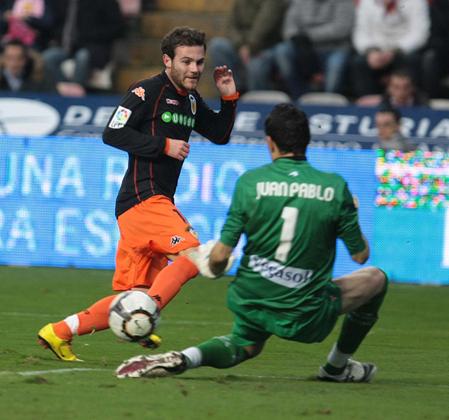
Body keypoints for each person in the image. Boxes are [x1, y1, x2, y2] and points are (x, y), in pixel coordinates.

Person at [115, 103, 389, 383]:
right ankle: (336, 368)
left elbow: (220, 256)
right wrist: (350, 215)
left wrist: (212, 266)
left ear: (270, 142)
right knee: (376, 279)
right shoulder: (334, 188)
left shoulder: (250, 183)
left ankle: (185, 357)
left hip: (252, 297)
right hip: (304, 310)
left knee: (245, 344)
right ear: (307, 140)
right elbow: (360, 256)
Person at [37, 26, 239, 361]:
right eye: (186, 61)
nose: (194, 69)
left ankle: (58, 331)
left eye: (199, 62)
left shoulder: (190, 100)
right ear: (167, 60)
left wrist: (229, 98)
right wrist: (163, 145)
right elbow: (112, 132)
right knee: (192, 257)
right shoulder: (147, 91)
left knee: (133, 296)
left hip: (142, 204)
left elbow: (220, 134)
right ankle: (144, 317)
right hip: (145, 198)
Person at [250, 0, 354, 99]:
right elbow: (289, 28)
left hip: (334, 48)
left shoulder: (344, 1)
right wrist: (297, 38)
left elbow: (341, 29)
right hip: (302, 46)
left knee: (336, 64)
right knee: (282, 51)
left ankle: (330, 103)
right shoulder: (299, 1)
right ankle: (299, 96)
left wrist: (307, 37)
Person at [41, 0, 125, 95]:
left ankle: (77, 91)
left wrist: (94, 35)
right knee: (48, 57)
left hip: (95, 46)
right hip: (66, 46)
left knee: (83, 56)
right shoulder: (64, 2)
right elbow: (55, 24)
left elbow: (118, 28)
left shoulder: (105, 2)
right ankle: (64, 89)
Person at [351, 0, 430, 98]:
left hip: (403, 50)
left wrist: (394, 51)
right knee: (359, 62)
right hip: (375, 51)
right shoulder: (366, 2)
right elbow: (361, 33)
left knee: (411, 60)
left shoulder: (417, 2)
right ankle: (367, 102)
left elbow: (419, 34)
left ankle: (408, 102)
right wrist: (371, 51)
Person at [208, 0, 288, 93]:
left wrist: (250, 47)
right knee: (217, 46)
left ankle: (256, 98)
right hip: (242, 46)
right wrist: (240, 45)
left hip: (265, 46)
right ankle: (234, 90)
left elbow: (265, 25)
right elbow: (231, 26)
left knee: (256, 66)